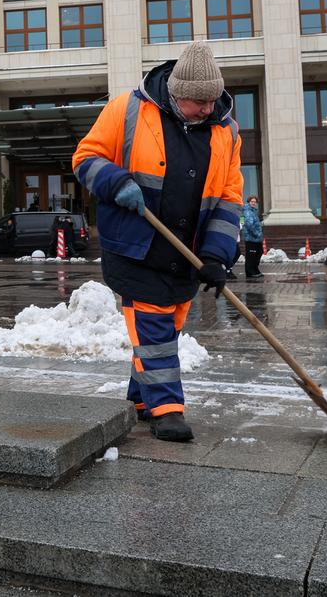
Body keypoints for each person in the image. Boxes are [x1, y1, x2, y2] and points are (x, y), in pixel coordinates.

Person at [73, 41, 242, 444]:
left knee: (167, 326)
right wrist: (116, 183)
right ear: (176, 92)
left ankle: (141, 400)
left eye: (211, 100)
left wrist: (216, 255)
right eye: (197, 101)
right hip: (135, 245)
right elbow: (84, 159)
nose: (206, 108)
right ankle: (167, 409)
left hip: (185, 253)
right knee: (153, 326)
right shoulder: (127, 110)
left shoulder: (227, 132)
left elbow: (229, 198)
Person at [242, 196, 264, 278]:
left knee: (259, 252)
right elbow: (248, 224)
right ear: (249, 202)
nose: (254, 203)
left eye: (255, 202)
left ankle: (255, 269)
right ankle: (251, 272)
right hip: (251, 238)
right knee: (251, 255)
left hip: (256, 238)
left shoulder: (253, 211)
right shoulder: (247, 211)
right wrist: (256, 233)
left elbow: (242, 221)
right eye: (252, 201)